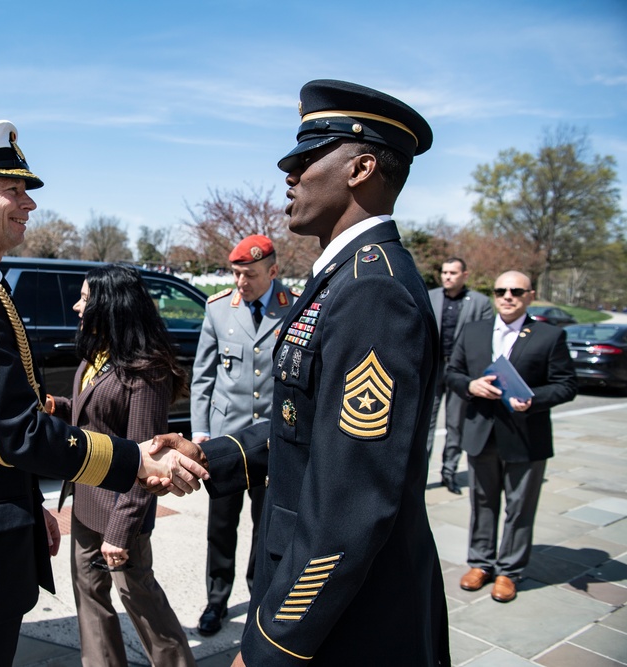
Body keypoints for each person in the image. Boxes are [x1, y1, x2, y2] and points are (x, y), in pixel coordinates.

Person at [0, 120, 207, 667]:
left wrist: (33, 509)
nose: (28, 204)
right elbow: (16, 432)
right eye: (12, 190)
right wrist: (133, 459)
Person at [151, 79, 451, 665]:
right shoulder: (341, 278)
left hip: (342, 622)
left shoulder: (373, 292)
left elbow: (351, 502)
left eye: (307, 159)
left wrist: (271, 644)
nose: (290, 175)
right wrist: (209, 453)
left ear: (361, 168)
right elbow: (305, 423)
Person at [49, 264, 196, 667]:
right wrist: (58, 407)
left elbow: (146, 461)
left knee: (140, 600)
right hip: (85, 501)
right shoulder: (98, 354)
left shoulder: (147, 370)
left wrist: (120, 531)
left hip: (121, 514)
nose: (78, 306)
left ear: (111, 305)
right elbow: (92, 418)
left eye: (85, 298)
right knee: (89, 597)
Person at [446, 271, 576, 603]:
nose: (507, 296)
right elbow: (453, 372)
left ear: (530, 295)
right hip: (481, 432)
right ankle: (480, 563)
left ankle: (509, 572)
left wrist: (534, 400)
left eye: (516, 290)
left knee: (519, 508)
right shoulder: (474, 331)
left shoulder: (549, 336)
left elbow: (566, 385)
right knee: (482, 502)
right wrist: (470, 386)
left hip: (525, 436)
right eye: (500, 289)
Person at [189, 234, 293, 636]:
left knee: (267, 524)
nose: (240, 282)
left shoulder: (293, 305)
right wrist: (201, 432)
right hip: (227, 439)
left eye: (248, 274)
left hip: (272, 441)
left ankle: (259, 595)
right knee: (221, 524)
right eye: (235, 273)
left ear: (273, 271)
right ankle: (216, 599)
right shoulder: (218, 309)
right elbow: (204, 376)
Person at [427, 257, 493, 493]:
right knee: (426, 424)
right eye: (444, 272)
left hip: (460, 373)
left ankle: (449, 473)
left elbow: (485, 340)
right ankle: (419, 476)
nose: (447, 277)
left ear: (465, 275)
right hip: (432, 370)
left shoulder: (480, 302)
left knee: (455, 425)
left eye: (453, 273)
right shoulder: (430, 296)